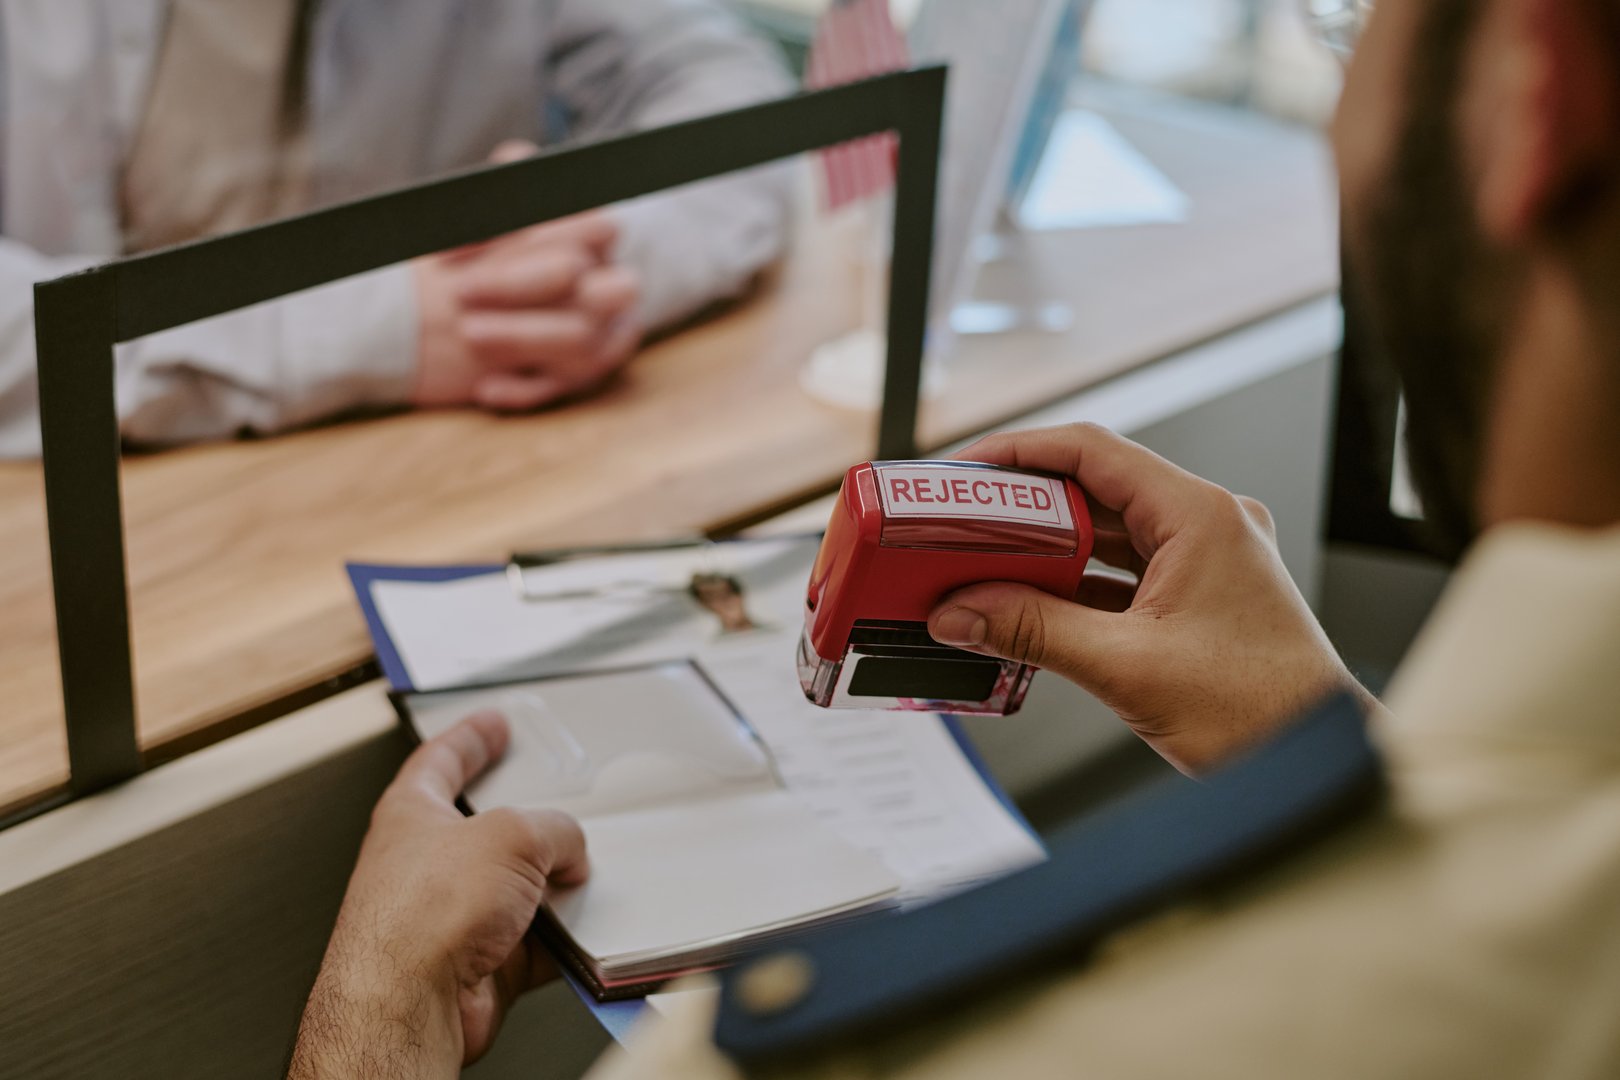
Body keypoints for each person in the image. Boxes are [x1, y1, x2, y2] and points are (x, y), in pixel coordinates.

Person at [289, 0, 1620, 1075]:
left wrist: (370, 1027)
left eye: (1351, 23)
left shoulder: (857, 1053)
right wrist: (1327, 738)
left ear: (1530, 83)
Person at [0, 0, 794, 457]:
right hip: (92, 525)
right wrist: (384, 333)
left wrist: (582, 270)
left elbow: (728, 87)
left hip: (457, 463)